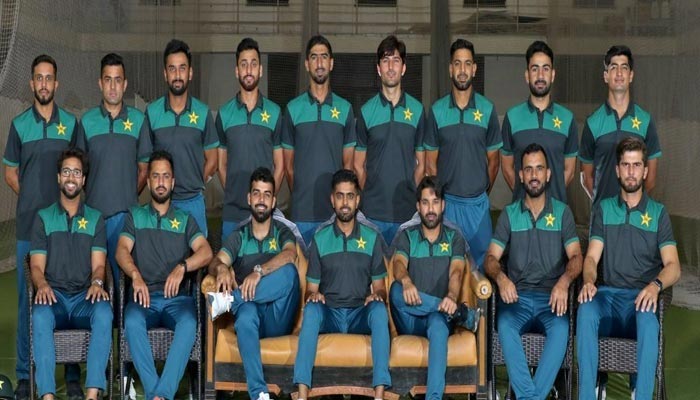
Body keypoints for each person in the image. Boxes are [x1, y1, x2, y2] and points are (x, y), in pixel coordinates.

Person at [576, 137, 680, 400]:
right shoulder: (604, 209)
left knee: (648, 323)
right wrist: (588, 280)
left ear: (645, 171)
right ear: (617, 170)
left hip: (640, 299)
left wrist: (655, 286)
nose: (631, 171)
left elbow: (673, 266)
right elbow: (591, 258)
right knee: (586, 310)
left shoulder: (658, 213)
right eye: (626, 165)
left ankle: (641, 394)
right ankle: (588, 393)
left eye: (636, 165)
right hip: (609, 297)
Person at [2, 54, 80, 400]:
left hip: (66, 230)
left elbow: (78, 171)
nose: (44, 84)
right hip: (29, 229)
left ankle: (73, 374)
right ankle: (25, 374)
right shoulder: (20, 125)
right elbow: (10, 173)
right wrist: (34, 198)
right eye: (39, 78)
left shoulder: (71, 125)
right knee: (28, 304)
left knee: (70, 296)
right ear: (31, 83)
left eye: (49, 78)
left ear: (56, 83)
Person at [485, 143, 582, 400]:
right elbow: (491, 258)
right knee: (505, 324)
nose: (534, 175)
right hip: (517, 299)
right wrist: (501, 278)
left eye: (539, 168)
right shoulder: (509, 214)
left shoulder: (562, 212)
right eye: (528, 169)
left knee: (561, 330)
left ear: (548, 174)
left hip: (551, 300)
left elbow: (576, 257)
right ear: (520, 175)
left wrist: (564, 282)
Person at [116, 150, 213, 400]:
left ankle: (161, 394)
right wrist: (135, 276)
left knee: (189, 323)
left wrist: (182, 267)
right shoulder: (135, 215)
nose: (161, 182)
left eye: (166, 176)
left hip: (177, 300)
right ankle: (156, 393)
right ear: (148, 182)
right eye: (156, 176)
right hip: (143, 297)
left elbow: (206, 252)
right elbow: (121, 250)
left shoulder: (185, 219)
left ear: (173, 182)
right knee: (132, 321)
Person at [293, 169, 390, 400]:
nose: (345, 203)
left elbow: (381, 287)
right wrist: (313, 296)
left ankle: (379, 395)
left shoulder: (372, 238)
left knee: (379, 310)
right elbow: (310, 290)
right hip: (330, 314)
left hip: (359, 313)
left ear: (357, 200)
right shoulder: (320, 238)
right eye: (340, 196)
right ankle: (302, 394)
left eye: (350, 196)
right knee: (312, 310)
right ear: (332, 200)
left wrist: (377, 295)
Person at [207, 167, 300, 400]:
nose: (261, 199)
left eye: (267, 194)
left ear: (274, 201)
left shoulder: (282, 231)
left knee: (289, 273)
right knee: (246, 315)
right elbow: (216, 261)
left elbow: (291, 255)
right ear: (249, 198)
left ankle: (229, 301)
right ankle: (259, 394)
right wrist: (221, 268)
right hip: (251, 314)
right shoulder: (239, 236)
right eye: (256, 193)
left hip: (278, 317)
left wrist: (259, 271)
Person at [30, 148, 112, 400]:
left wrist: (97, 282)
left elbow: (99, 266)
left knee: (104, 312)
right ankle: (47, 395)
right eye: (66, 171)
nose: (71, 177)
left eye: (76, 172)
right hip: (54, 298)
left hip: (83, 300)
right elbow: (36, 267)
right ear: (58, 177)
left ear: (83, 180)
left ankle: (92, 394)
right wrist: (42, 285)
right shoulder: (43, 217)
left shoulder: (96, 219)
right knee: (40, 315)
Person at [389, 175, 480, 399]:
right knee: (395, 291)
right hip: (410, 318)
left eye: (435, 202)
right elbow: (398, 264)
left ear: (443, 205)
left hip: (438, 317)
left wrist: (452, 296)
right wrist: (407, 281)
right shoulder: (407, 236)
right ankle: (460, 314)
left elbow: (457, 272)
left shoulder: (454, 237)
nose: (431, 209)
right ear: (418, 206)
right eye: (425, 202)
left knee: (439, 326)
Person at [76, 52, 147, 322]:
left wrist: (126, 196)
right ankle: (95, 346)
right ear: (100, 83)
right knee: (93, 287)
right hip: (93, 220)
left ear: (125, 84)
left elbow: (144, 169)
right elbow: (79, 172)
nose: (113, 86)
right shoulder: (87, 122)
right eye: (108, 80)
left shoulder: (138, 120)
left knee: (125, 290)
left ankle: (125, 347)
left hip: (126, 220)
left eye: (118, 80)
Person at [424, 39, 501, 271]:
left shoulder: (487, 109)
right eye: (457, 63)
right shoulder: (437, 111)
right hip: (448, 207)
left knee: (481, 273)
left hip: (478, 207)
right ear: (450, 69)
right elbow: (430, 164)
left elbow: (494, 162)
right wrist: (441, 201)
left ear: (474, 69)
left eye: (467, 63)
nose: (462, 70)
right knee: (447, 271)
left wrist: (479, 193)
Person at [139, 39, 219, 237]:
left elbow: (213, 160)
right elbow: (145, 164)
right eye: (172, 69)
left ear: (190, 73)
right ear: (165, 74)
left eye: (182, 68)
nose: (177, 75)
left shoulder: (202, 112)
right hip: (162, 204)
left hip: (193, 203)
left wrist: (195, 182)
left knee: (198, 254)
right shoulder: (152, 112)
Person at [282, 35, 355, 245]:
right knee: (303, 265)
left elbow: (348, 165)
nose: (319, 63)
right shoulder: (293, 109)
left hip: (335, 214)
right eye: (314, 57)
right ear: (307, 64)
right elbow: (288, 168)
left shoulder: (345, 109)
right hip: (302, 213)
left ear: (331, 63)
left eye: (324, 57)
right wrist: (302, 195)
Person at [353, 35, 426, 244]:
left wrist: (412, 195)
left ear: (404, 68)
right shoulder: (366, 111)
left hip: (407, 213)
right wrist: (370, 197)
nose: (391, 67)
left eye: (396, 60)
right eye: (385, 61)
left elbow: (422, 164)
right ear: (378, 69)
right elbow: (358, 165)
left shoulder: (418, 110)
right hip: (372, 213)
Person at [216, 38, 285, 239]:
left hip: (264, 214)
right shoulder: (224, 114)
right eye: (243, 64)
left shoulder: (275, 112)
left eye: (253, 64)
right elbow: (221, 165)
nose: (248, 70)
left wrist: (265, 198)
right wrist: (235, 194)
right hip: (232, 213)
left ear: (260, 70)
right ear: (236, 71)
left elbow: (280, 166)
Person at [579, 45, 661, 206]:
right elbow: (587, 177)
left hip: (635, 216)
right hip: (602, 218)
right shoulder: (592, 123)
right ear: (605, 76)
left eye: (624, 67)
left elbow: (651, 178)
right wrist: (605, 208)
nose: (619, 73)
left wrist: (633, 207)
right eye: (613, 67)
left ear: (631, 76)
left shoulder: (645, 121)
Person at [501, 41, 578, 203]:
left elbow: (569, 171)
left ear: (553, 75)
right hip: (522, 213)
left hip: (555, 214)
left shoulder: (567, 118)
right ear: (527, 75)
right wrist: (529, 196)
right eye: (535, 69)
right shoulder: (512, 117)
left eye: (546, 68)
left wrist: (550, 199)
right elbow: (507, 168)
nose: (540, 75)